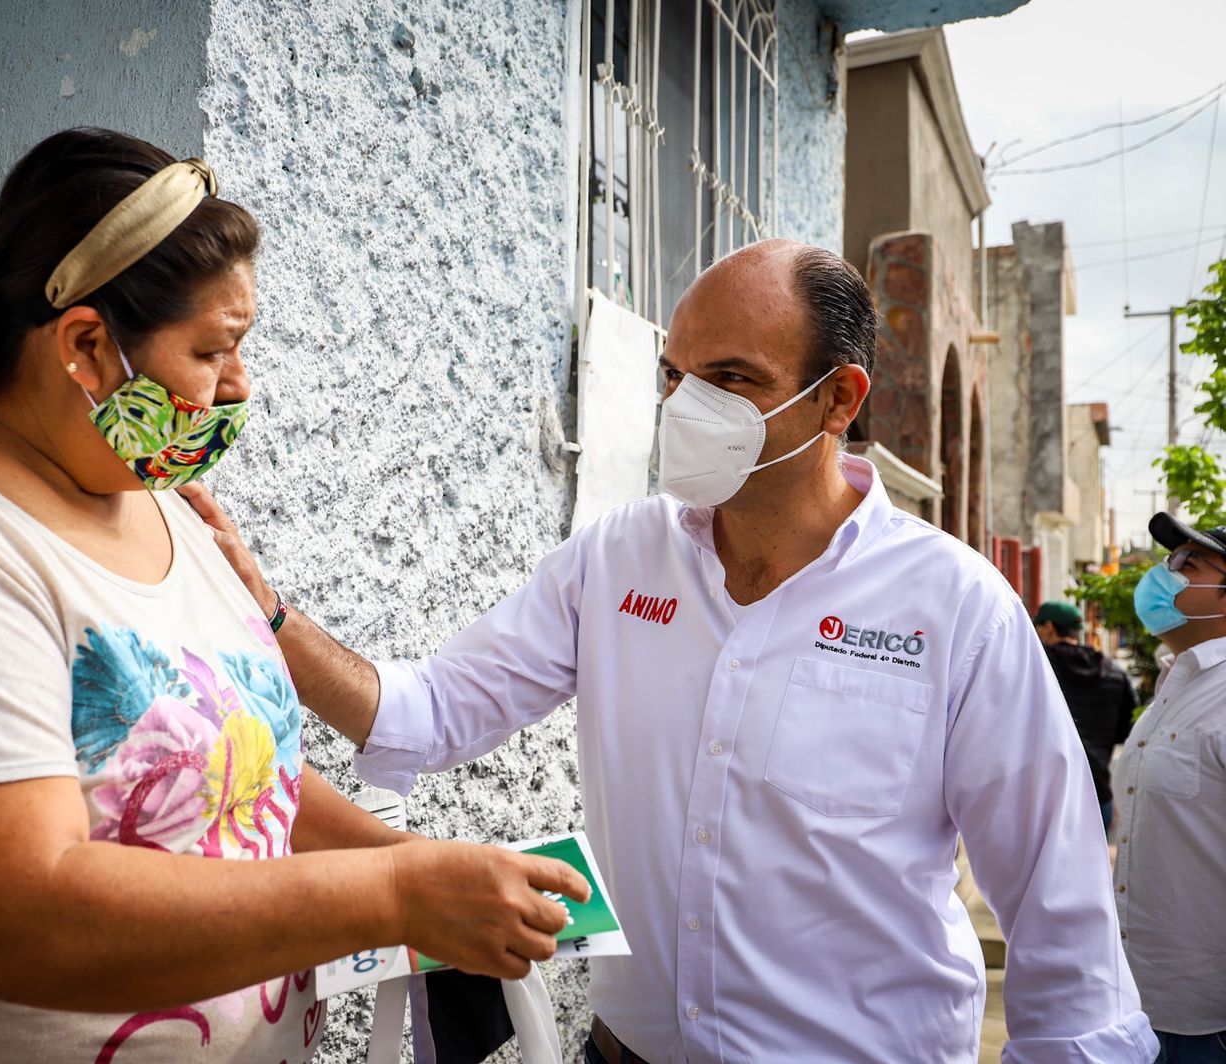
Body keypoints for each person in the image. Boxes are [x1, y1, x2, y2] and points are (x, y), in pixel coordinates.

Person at [184, 239, 1158, 1062]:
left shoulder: (956, 609)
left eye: (731, 379)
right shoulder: (617, 559)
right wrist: (267, 614)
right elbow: (427, 712)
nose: (687, 405)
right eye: (674, 375)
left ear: (837, 399)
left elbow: (1059, 913)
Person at [0, 128, 588, 1064]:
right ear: (86, 346)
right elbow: (10, 920)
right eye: (213, 350)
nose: (239, 385)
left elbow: (245, 774)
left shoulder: (166, 509)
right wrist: (394, 897)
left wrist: (421, 870)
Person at [1113, 514, 1226, 1064]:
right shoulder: (1174, 686)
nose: (1166, 571)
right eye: (1169, 559)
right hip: (1136, 1002)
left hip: (1207, 1020)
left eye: (1189, 563)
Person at [1034, 599, 1139, 831]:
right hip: (1097, 790)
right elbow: (1130, 729)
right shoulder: (1113, 672)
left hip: (1045, 793)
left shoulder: (1037, 667)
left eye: (1038, 627)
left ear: (1049, 627)